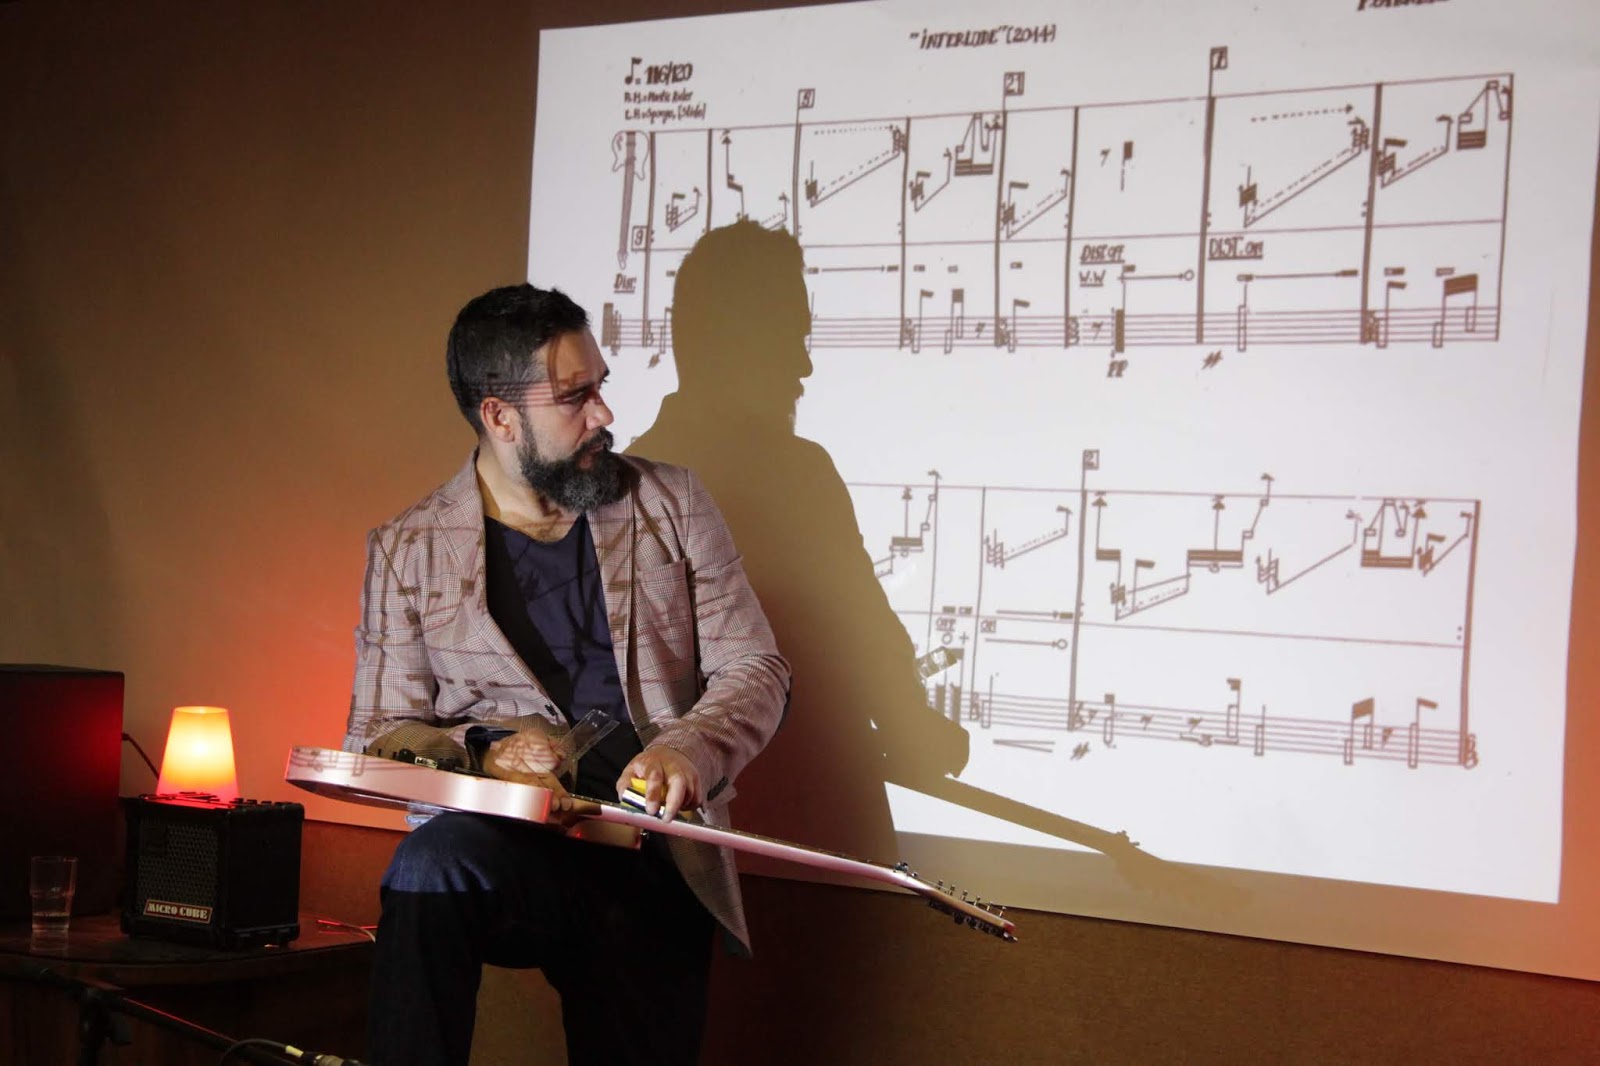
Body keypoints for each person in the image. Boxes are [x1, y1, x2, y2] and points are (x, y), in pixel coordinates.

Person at [342, 283, 790, 1066]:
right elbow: (378, 737)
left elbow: (756, 666)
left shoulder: (673, 503)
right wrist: (486, 752)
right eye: (575, 396)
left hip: (654, 860)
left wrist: (688, 748)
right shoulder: (408, 549)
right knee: (428, 866)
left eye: (600, 387)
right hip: (511, 853)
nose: (604, 414)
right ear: (500, 417)